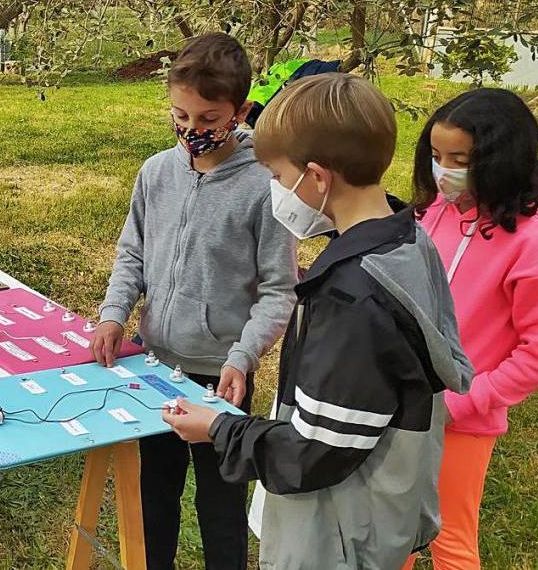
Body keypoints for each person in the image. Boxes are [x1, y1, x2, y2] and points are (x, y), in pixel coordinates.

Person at [163, 73, 475, 569]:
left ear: (317, 177)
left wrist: (220, 429)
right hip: (379, 514)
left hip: (338, 536)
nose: (276, 190)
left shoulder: (352, 298)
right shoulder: (406, 242)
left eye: (279, 177)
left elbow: (314, 452)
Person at [89, 33, 297, 570]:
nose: (191, 131)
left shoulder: (264, 187)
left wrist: (242, 356)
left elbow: (279, 289)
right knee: (152, 498)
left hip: (220, 380)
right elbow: (132, 251)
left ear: (241, 111)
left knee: (220, 507)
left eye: (208, 119)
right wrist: (115, 314)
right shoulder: (156, 172)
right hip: (156, 366)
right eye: (180, 115)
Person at [402, 89, 538, 570]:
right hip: (401, 406)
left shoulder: (533, 244)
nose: (444, 171)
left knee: (449, 539)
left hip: (462, 422)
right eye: (436, 157)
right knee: (389, 529)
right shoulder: (428, 215)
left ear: (502, 159)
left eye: (459, 159)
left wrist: (466, 402)